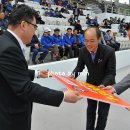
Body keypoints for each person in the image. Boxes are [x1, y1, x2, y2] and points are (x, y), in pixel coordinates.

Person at [0, 4, 82, 130]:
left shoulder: (4, 41)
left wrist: (37, 73)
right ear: (23, 25)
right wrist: (63, 96)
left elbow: (12, 71)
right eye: (34, 26)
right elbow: (25, 88)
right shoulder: (10, 48)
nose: (34, 31)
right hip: (12, 118)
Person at [69, 27, 116, 130]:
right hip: (91, 85)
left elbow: (111, 73)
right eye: (86, 41)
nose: (88, 44)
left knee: (102, 113)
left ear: (99, 39)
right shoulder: (82, 51)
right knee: (90, 110)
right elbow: (79, 67)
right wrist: (73, 75)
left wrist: (103, 84)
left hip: (106, 87)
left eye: (92, 41)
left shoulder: (109, 51)